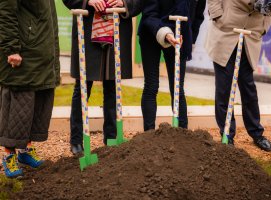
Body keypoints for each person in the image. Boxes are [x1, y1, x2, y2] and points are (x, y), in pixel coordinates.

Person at [205, 0, 271, 151]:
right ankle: (227, 134)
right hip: (225, 33)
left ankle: (256, 133)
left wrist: (264, 27)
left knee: (248, 89)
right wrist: (218, 16)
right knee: (224, 89)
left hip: (251, 36)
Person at [63, 0, 134, 154]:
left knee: (112, 87)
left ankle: (111, 138)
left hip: (117, 30)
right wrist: (88, 1)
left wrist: (124, 2)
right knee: (82, 88)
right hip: (87, 28)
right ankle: (76, 140)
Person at [0, 0, 60, 178]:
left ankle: (26, 151)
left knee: (37, 102)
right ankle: (8, 155)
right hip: (23, 53)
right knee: (18, 105)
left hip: (41, 52)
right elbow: (5, 12)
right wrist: (11, 48)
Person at [137, 0, 206, 131]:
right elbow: (149, 13)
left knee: (177, 89)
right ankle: (148, 136)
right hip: (152, 32)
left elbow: (198, 16)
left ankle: (182, 134)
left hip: (179, 36)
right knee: (151, 86)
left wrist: (190, 40)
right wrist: (166, 33)